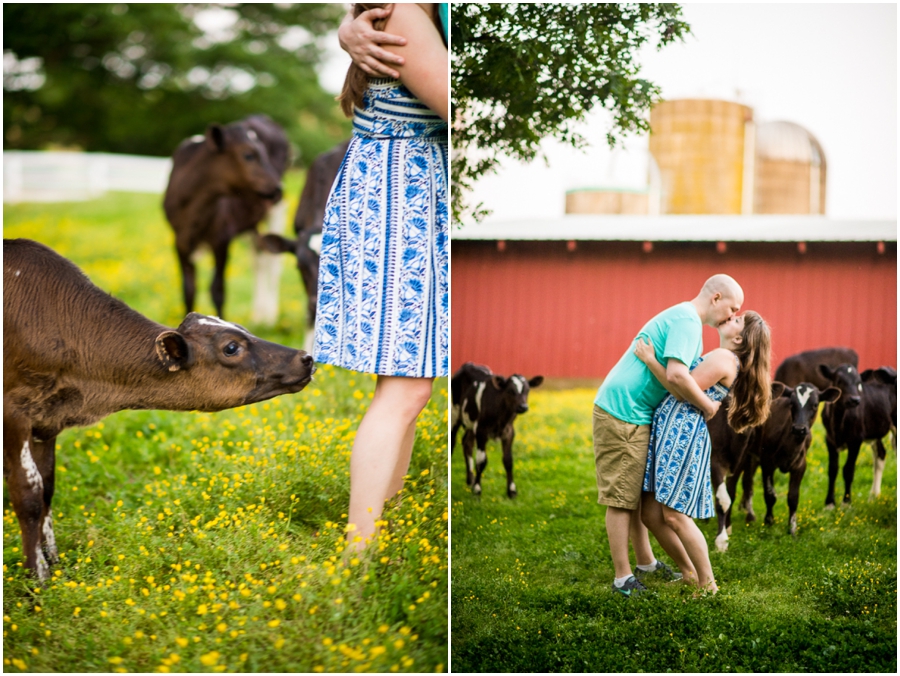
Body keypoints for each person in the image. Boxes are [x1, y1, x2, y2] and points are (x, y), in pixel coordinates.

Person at [315, 3, 448, 552]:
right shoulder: (408, 13)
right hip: (400, 204)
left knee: (406, 384)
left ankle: (381, 525)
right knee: (406, 386)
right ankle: (358, 550)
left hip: (402, 197)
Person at [592, 274, 744, 597]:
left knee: (632, 494)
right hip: (622, 410)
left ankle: (646, 562)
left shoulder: (687, 321)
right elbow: (677, 375)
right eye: (732, 308)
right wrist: (707, 405)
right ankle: (623, 579)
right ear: (716, 298)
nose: (732, 316)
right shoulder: (688, 322)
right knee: (621, 498)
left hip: (636, 412)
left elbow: (676, 379)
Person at [635, 310, 772, 595]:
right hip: (671, 428)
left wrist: (650, 359)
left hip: (681, 432)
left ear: (739, 337)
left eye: (737, 319)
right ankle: (689, 572)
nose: (731, 316)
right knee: (650, 513)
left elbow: (679, 388)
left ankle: (707, 584)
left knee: (674, 515)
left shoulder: (724, 359)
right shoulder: (721, 356)